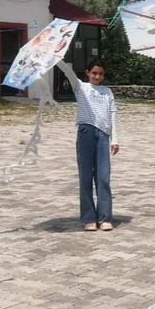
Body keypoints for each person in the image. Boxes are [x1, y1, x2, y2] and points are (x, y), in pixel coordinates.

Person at [55, 58, 119, 231]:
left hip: (103, 135)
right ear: (87, 73)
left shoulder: (107, 92)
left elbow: (112, 115)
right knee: (85, 177)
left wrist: (115, 139)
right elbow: (67, 72)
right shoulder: (81, 87)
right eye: (94, 73)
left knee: (103, 177)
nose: (97, 76)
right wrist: (56, 56)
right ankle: (89, 217)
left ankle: (105, 217)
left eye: (100, 74)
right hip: (85, 133)